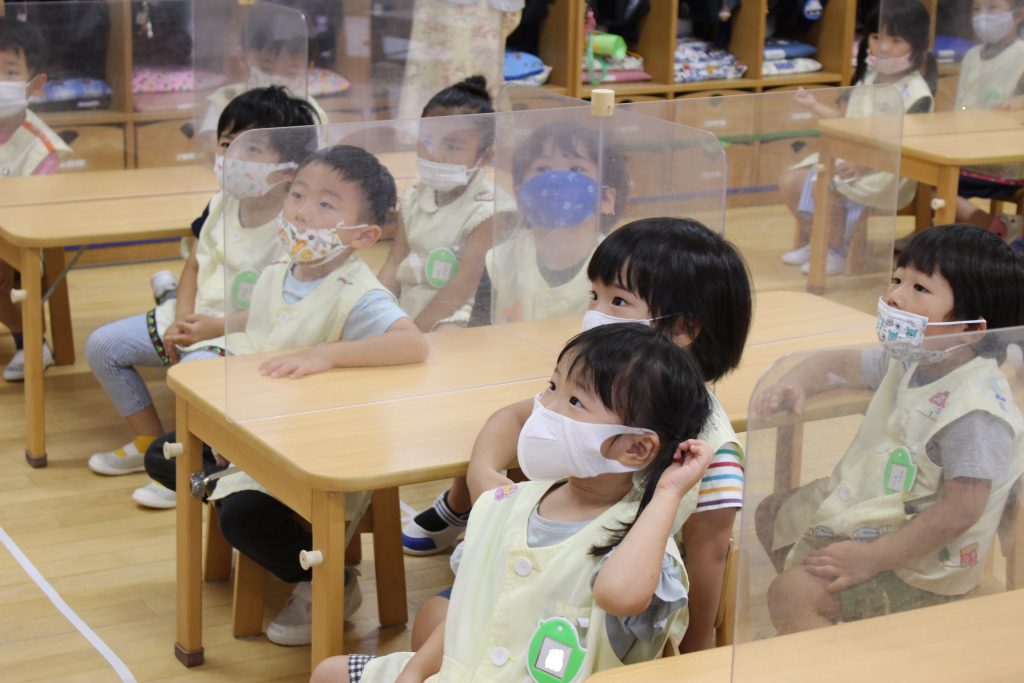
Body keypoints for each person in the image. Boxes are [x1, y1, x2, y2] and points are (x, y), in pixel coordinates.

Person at [403, 217, 753, 653]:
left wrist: (698, 649)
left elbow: (710, 553)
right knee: (434, 622)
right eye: (594, 295)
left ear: (682, 329)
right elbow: (510, 419)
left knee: (455, 634)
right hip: (543, 565)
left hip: (604, 610)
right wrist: (483, 475)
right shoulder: (598, 385)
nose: (595, 313)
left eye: (618, 300)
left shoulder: (713, 449)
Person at [311, 324, 714, 682]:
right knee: (330, 673)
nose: (545, 407)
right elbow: (471, 609)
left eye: (575, 401)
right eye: (553, 386)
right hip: (464, 667)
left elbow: (619, 594)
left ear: (636, 448)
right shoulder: (511, 502)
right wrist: (414, 672)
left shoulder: (638, 542)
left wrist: (668, 492)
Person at [210, 144, 428, 647]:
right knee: (169, 455)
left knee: (240, 516)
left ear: (365, 235)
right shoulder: (277, 274)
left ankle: (326, 580)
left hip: (316, 446)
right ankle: (277, 538)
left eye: (326, 204)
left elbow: (412, 344)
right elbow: (259, 344)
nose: (302, 212)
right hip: (261, 429)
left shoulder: (358, 292)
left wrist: (327, 356)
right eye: (298, 195)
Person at [755, 224, 1024, 633]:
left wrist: (873, 557)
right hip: (881, 519)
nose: (895, 296)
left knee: (791, 594)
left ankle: (839, 645)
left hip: (921, 566)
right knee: (772, 514)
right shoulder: (917, 358)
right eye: (897, 279)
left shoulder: (974, 412)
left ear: (970, 329)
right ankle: (832, 618)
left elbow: (961, 510)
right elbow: (838, 364)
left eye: (920, 288)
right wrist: (795, 382)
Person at [85, 87, 318, 505]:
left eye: (249, 148)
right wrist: (181, 316)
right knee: (103, 345)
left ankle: (189, 470)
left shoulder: (296, 223)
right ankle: (150, 442)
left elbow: (283, 305)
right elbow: (193, 265)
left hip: (246, 334)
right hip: (196, 318)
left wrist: (212, 327)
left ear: (288, 168)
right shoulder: (221, 202)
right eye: (227, 143)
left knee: (192, 375)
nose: (231, 155)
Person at [779, 0, 935, 276]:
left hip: (887, 168)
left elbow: (906, 146)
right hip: (850, 157)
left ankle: (837, 251)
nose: (883, 47)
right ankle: (818, 240)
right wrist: (814, 105)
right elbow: (847, 117)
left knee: (826, 185)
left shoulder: (916, 93)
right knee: (792, 180)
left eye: (895, 40)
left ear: (916, 44)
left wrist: (864, 165)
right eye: (876, 37)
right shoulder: (868, 76)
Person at [467, 120, 629, 326]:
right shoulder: (500, 260)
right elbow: (477, 333)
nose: (556, 180)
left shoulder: (620, 267)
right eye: (543, 168)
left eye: (576, 169)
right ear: (520, 195)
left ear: (606, 198)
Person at [377, 75, 498, 331]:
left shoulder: (487, 210)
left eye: (452, 146)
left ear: (486, 155)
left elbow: (461, 287)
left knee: (444, 341)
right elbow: (394, 263)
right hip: (408, 312)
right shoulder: (413, 198)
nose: (436, 155)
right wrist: (375, 306)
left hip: (455, 317)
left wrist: (414, 331)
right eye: (428, 141)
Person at [0, 16, 71, 382]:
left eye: (10, 72)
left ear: (36, 84)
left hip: (16, 242)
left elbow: (35, 216)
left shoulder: (40, 147)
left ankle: (30, 340)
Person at [953, 0, 1024, 238]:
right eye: (976, 9)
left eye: (992, 8)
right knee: (922, 173)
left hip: (1003, 163)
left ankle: (994, 228)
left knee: (934, 182)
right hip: (963, 151)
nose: (982, 16)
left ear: (1018, 15)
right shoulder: (972, 56)